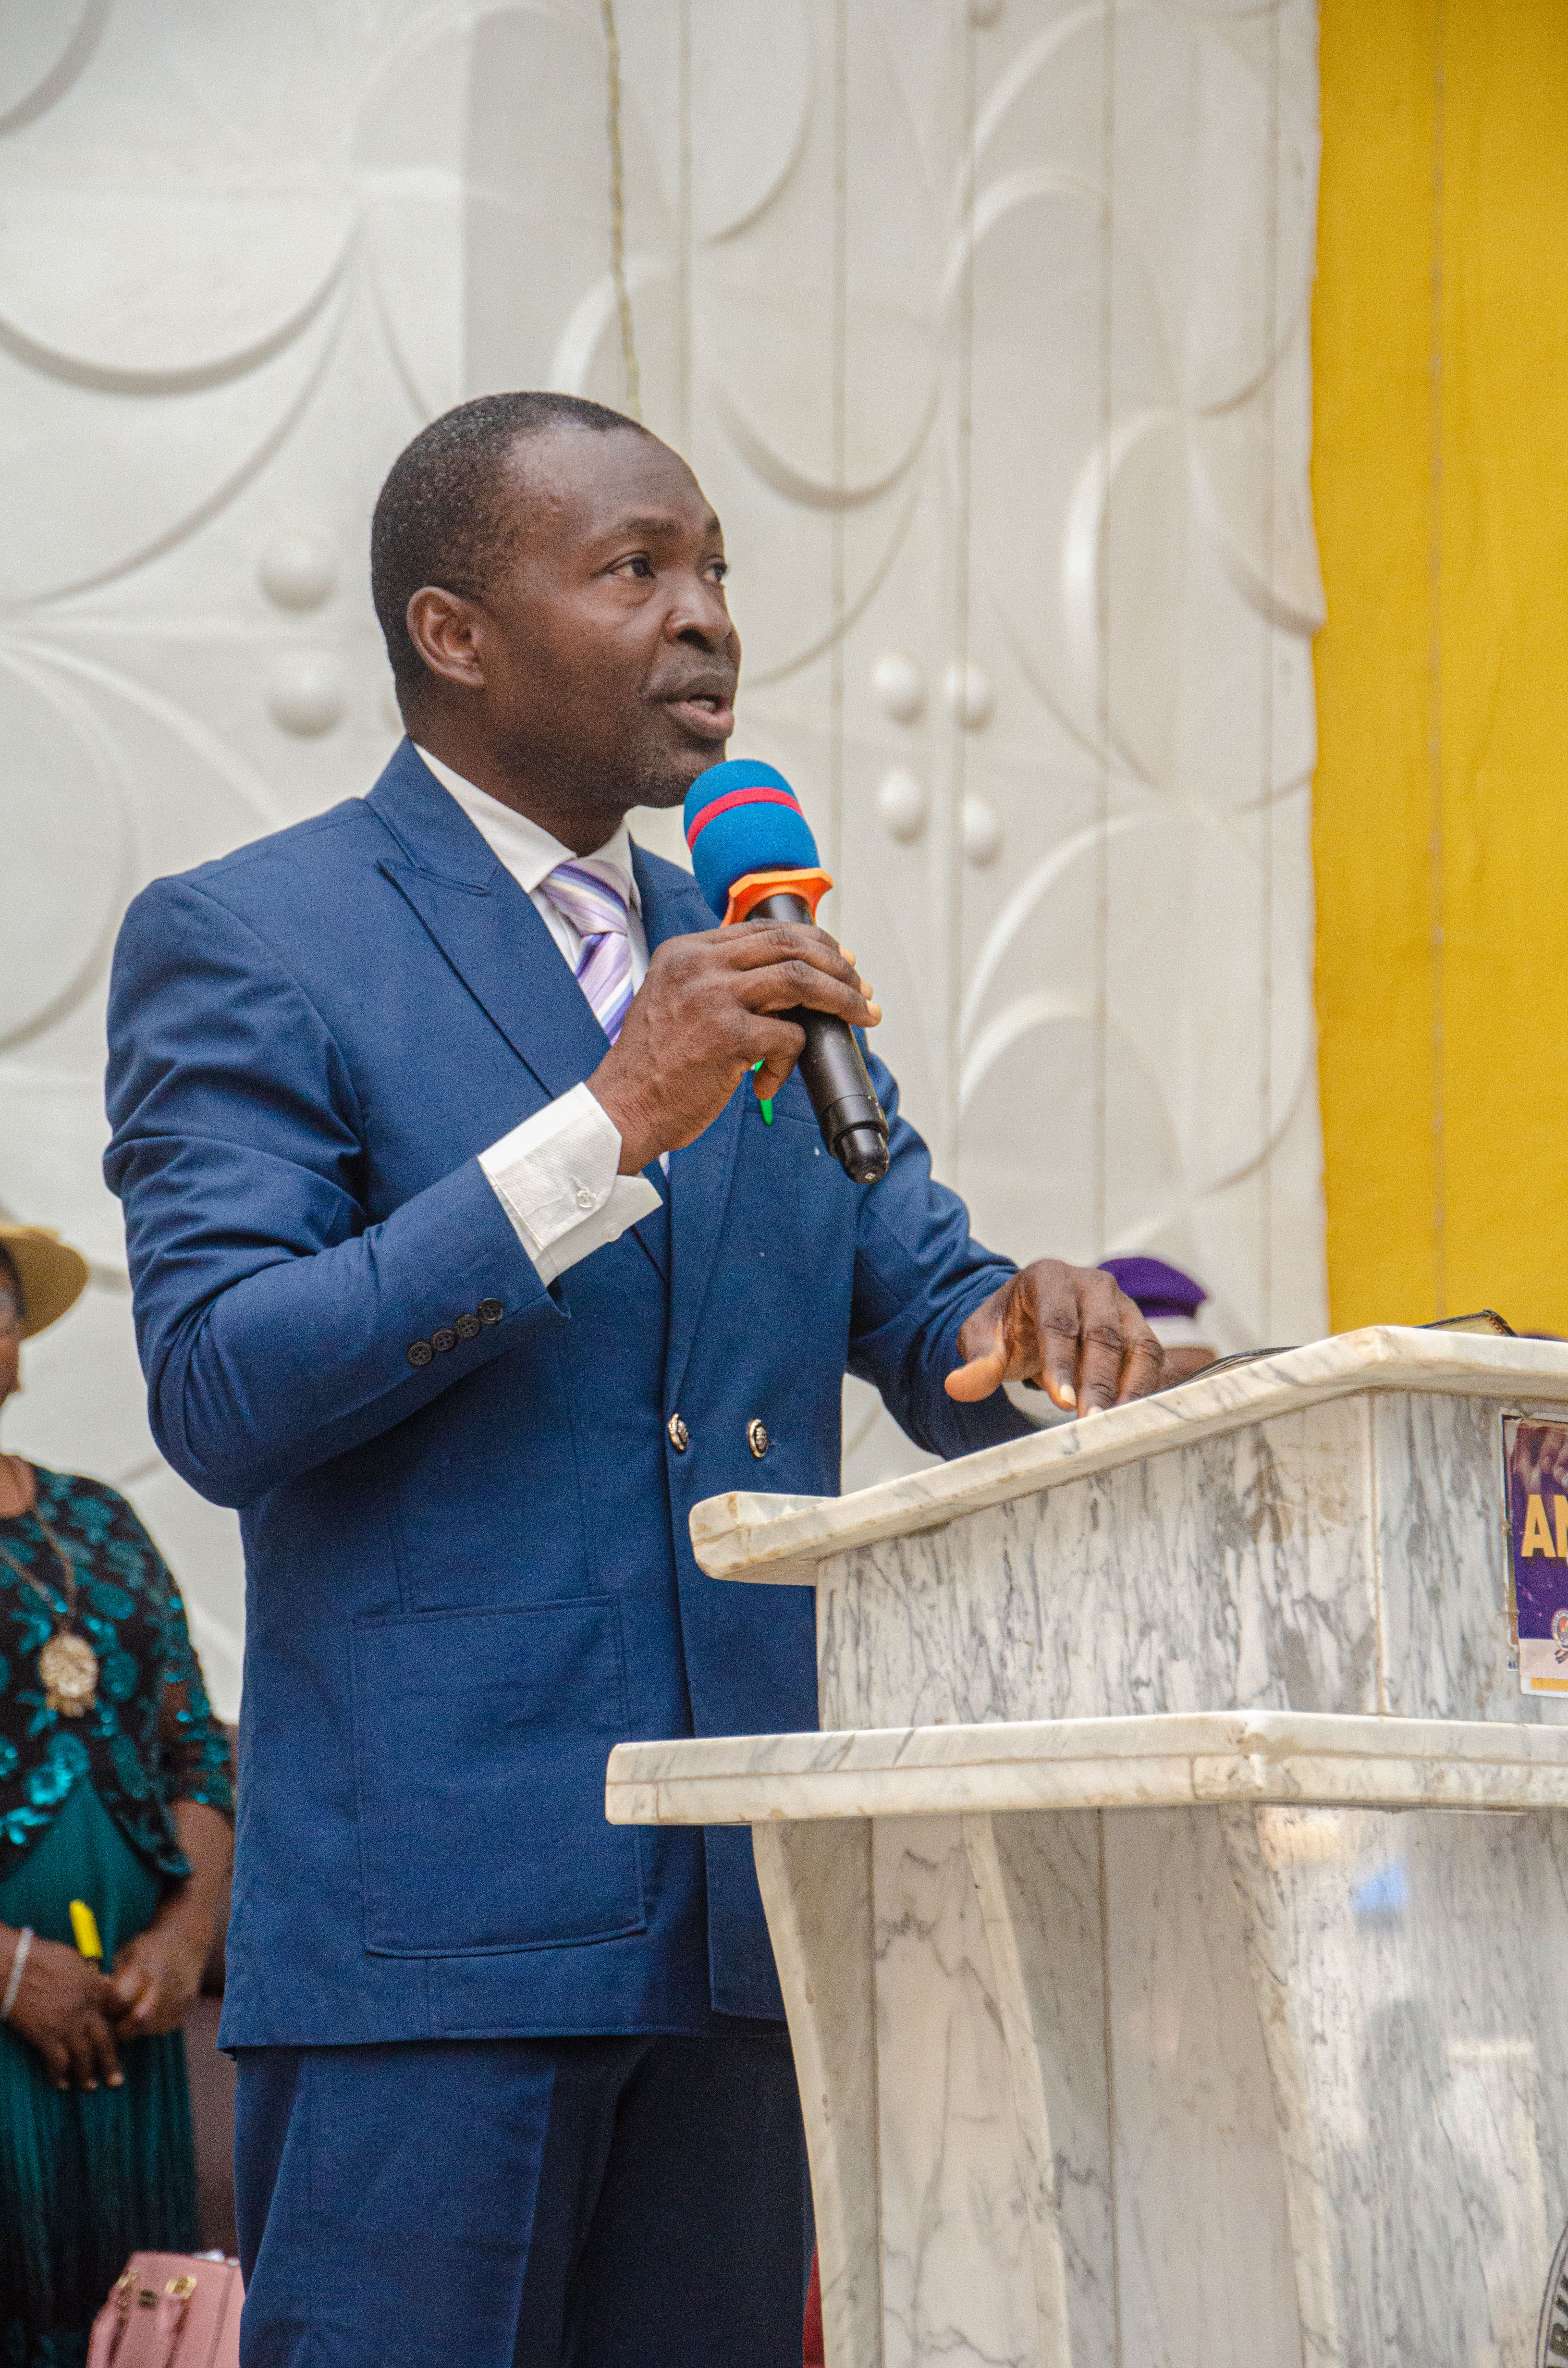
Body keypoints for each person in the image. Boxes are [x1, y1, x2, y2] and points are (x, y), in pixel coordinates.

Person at [102, 391, 1164, 2368]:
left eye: (716, 570)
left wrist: (1035, 1331)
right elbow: (224, 1383)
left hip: (743, 1926)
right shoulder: (256, 936)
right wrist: (605, 1122)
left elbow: (922, 1306)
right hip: (439, 1942)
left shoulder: (753, 943)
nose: (705, 615)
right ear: (454, 631)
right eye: (635, 567)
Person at [0, 1225, 234, 2368]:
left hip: (126, 2022)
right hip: (12, 2013)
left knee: (141, 2321)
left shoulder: (99, 1518)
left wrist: (186, 1938)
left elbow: (197, 1752)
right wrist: (9, 1969)